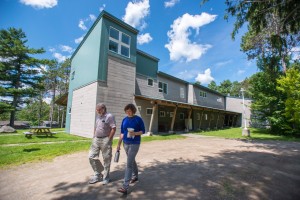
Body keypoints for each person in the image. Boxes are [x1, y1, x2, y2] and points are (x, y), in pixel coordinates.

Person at [117, 103, 145, 194]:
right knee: (132, 161)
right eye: (127, 111)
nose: (128, 112)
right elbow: (122, 133)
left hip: (135, 143)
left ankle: (125, 187)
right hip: (125, 143)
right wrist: (118, 144)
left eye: (130, 111)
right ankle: (135, 176)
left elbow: (143, 131)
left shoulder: (138, 119)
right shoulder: (124, 120)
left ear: (133, 111)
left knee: (128, 164)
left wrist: (135, 133)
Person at [88, 103, 116, 185]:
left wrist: (109, 139)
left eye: (99, 109)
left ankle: (106, 177)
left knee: (106, 159)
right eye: (97, 110)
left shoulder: (109, 116)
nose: (97, 111)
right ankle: (98, 173)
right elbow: (96, 127)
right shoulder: (98, 116)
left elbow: (113, 128)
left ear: (103, 109)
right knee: (91, 156)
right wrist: (94, 136)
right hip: (96, 139)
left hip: (105, 140)